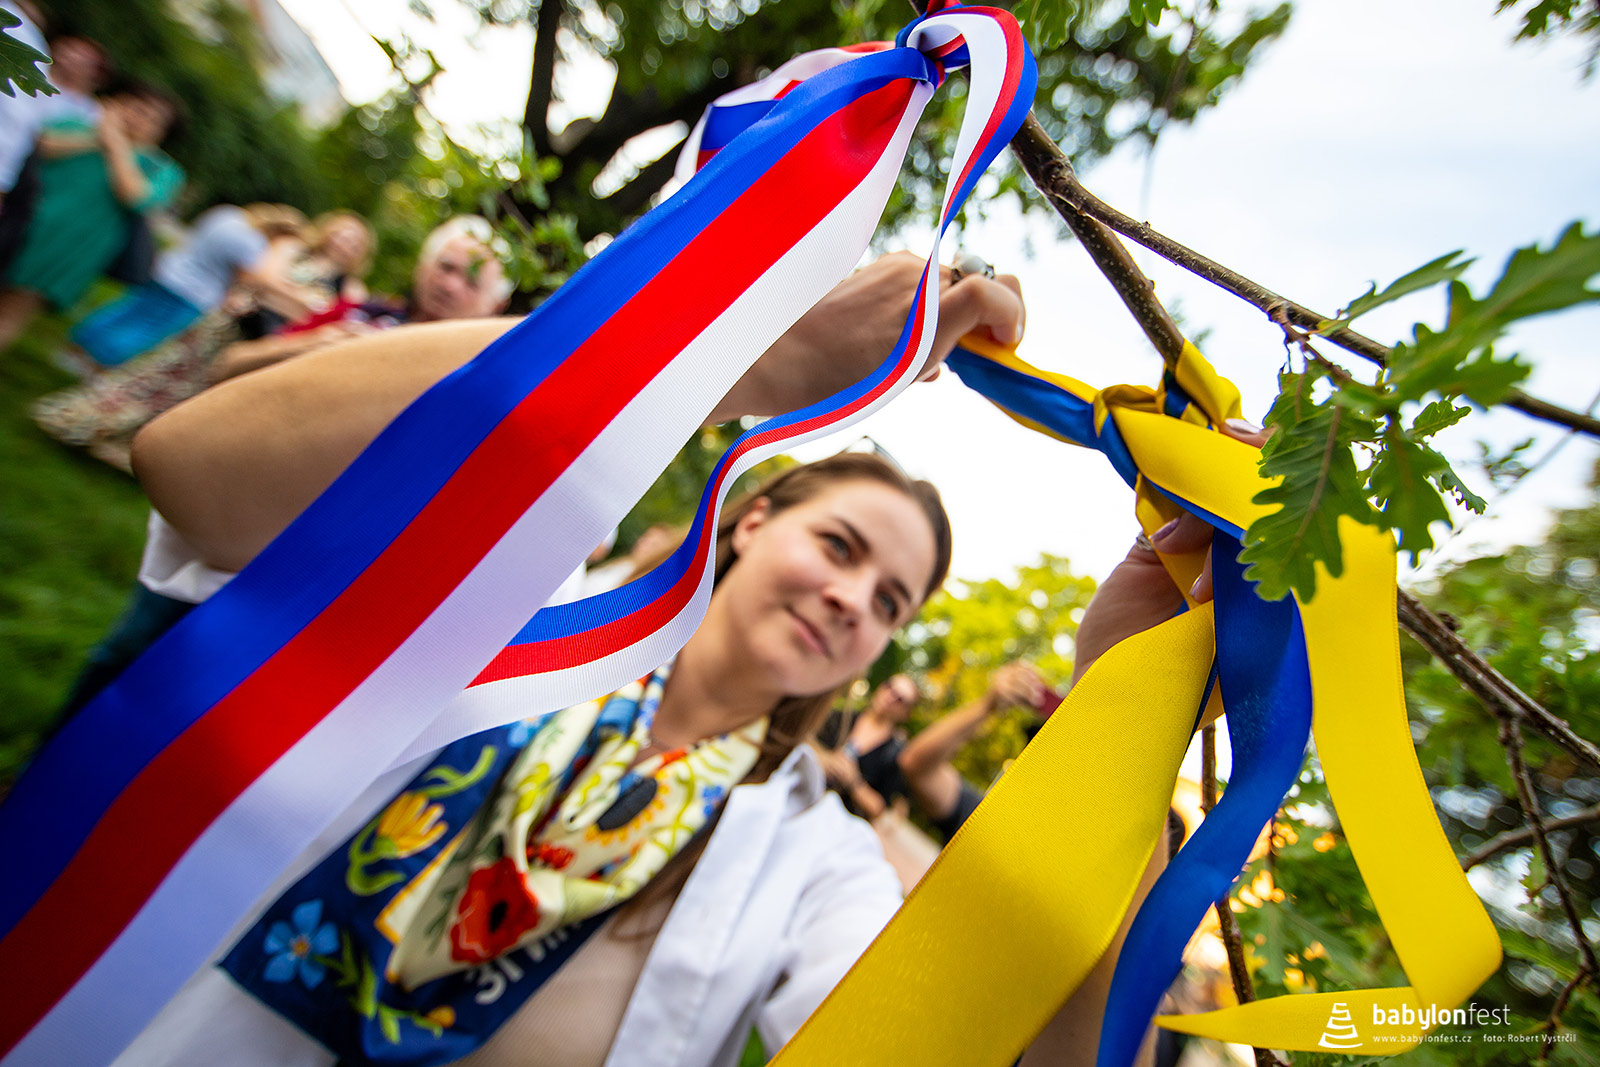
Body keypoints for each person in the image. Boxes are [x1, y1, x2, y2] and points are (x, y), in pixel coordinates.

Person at [46, 216, 504, 709]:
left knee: (208, 697)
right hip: (239, 510)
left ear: (495, 305)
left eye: (470, 279)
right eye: (445, 266)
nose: (450, 284)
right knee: (129, 651)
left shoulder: (483, 392)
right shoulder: (360, 315)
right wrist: (311, 346)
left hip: (320, 566)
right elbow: (227, 365)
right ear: (423, 267)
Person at [0, 80, 183, 352]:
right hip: (18, 223)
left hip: (68, 248)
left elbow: (135, 196)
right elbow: (42, 144)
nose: (138, 119)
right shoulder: (76, 126)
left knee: (12, 310)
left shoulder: (162, 169)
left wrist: (117, 145)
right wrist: (100, 137)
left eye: (151, 118)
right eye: (136, 108)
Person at [60, 202, 329, 370]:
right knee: (144, 329)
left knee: (125, 311)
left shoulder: (228, 215)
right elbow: (252, 278)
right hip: (192, 293)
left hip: (167, 270)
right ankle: (95, 362)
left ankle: (75, 347)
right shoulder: (253, 243)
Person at [817, 661, 1046, 839]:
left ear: (906, 713)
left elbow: (881, 808)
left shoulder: (894, 752)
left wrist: (854, 783)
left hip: (836, 833)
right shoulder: (840, 717)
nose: (890, 697)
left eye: (900, 699)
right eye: (890, 688)